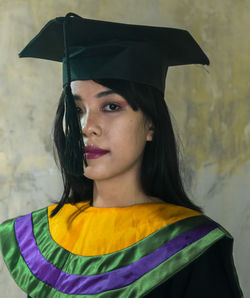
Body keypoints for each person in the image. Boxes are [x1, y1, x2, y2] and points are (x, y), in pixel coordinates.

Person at [0, 12, 243, 298]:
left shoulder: (191, 246)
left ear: (151, 124)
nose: (87, 128)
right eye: (76, 110)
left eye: (112, 107)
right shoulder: (45, 240)